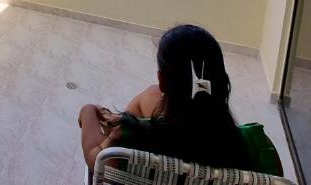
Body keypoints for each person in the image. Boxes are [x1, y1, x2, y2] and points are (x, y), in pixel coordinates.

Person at [79, 24, 277, 173]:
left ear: (162, 80)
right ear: (220, 81)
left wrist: (88, 111)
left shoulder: (128, 139)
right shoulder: (253, 144)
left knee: (148, 95)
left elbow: (95, 160)